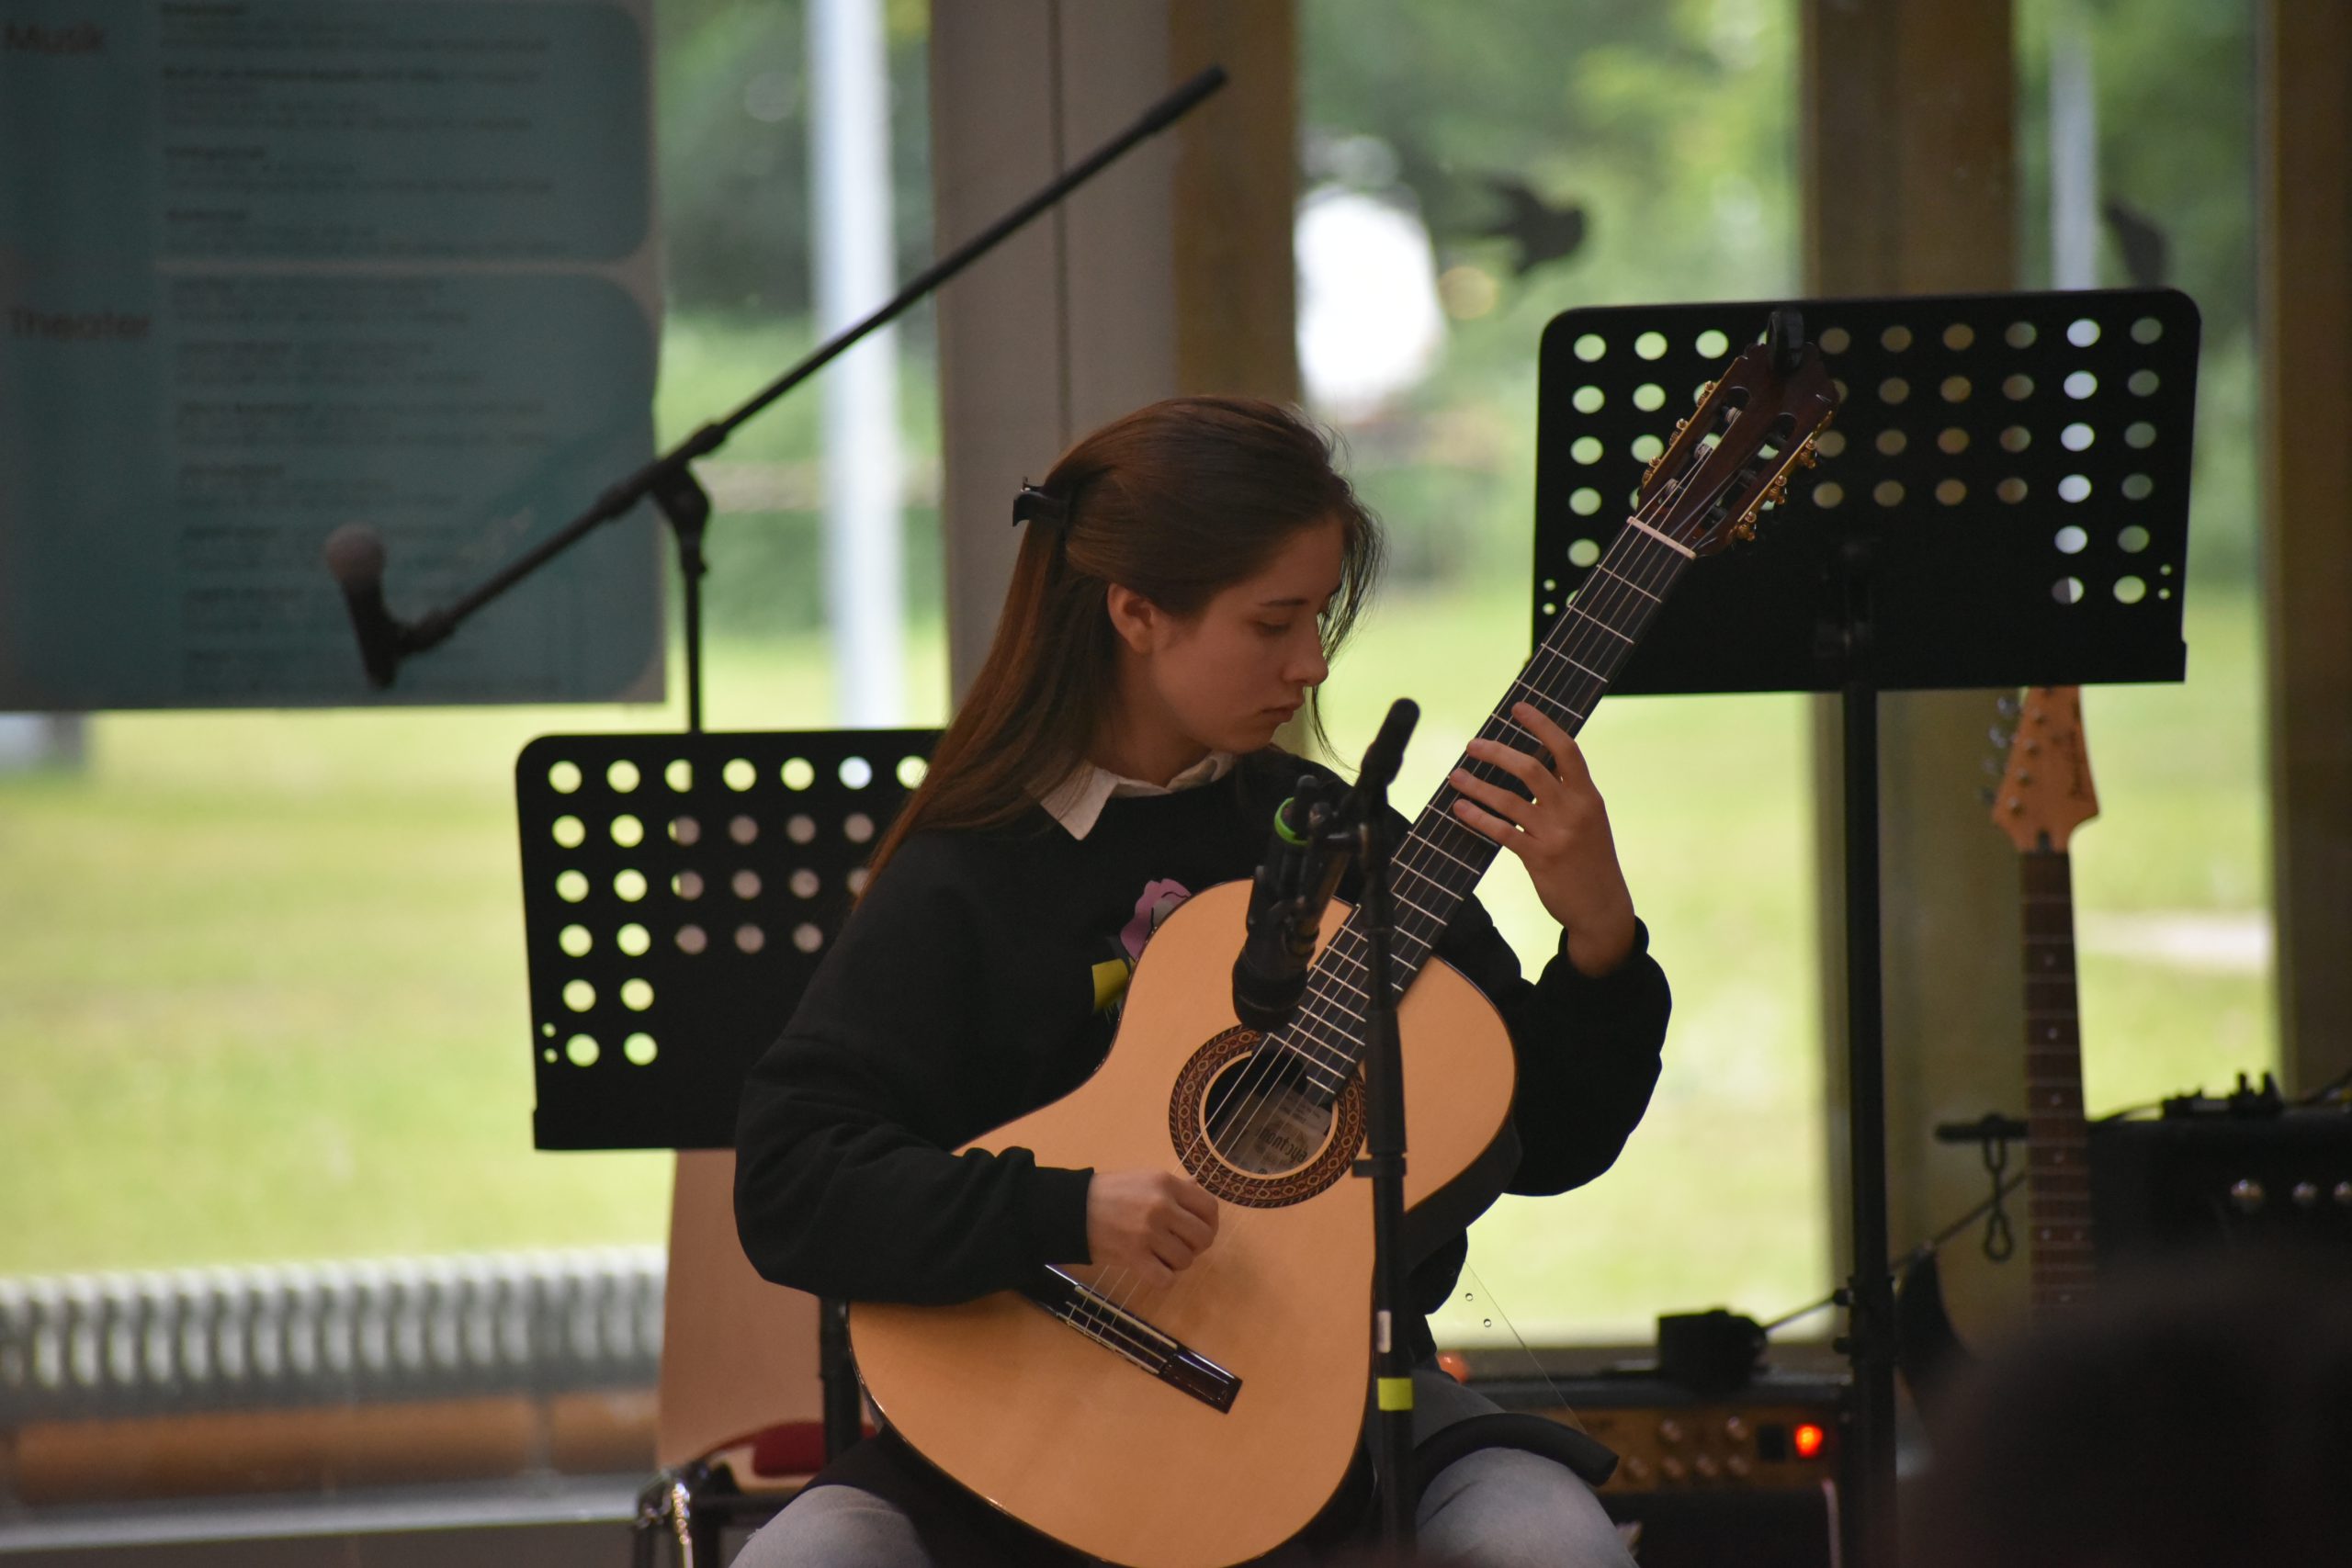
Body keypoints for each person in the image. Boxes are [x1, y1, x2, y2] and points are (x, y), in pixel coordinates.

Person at [731, 395, 1671, 1567]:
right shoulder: (972, 872)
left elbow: (1549, 1139)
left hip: (1337, 1408)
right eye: (1273, 621)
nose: (1311, 663)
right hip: (1018, 1411)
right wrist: (1065, 1211)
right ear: (1136, 613)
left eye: (1319, 616)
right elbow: (793, 1179)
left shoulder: (1344, 843)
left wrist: (1599, 935)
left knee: (1551, 1542)